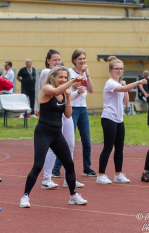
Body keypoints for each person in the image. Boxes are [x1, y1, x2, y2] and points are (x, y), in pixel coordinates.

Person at [20, 66, 87, 208]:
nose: (63, 80)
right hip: (43, 133)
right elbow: (56, 91)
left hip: (57, 134)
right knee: (38, 165)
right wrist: (74, 81)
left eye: (65, 77)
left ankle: (73, 196)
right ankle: (25, 197)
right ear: (53, 77)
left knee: (69, 164)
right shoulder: (47, 89)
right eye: (60, 77)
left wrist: (69, 97)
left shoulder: (64, 93)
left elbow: (68, 115)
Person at [96, 56, 147, 184]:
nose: (119, 71)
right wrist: (138, 82)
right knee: (108, 147)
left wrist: (124, 87)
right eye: (116, 69)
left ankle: (118, 174)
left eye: (121, 69)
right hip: (109, 118)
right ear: (110, 69)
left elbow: (125, 101)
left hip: (119, 119)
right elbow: (124, 89)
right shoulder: (110, 83)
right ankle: (100, 175)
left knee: (119, 148)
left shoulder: (119, 84)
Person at [39, 49, 85, 189]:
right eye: (54, 60)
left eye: (59, 60)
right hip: (53, 115)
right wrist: (73, 80)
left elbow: (66, 96)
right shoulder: (46, 73)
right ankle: (47, 178)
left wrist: (77, 93)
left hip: (63, 113)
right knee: (53, 147)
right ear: (48, 61)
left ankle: (68, 178)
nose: (57, 62)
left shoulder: (63, 75)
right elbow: (56, 91)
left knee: (70, 146)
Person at [60, 48, 97, 177]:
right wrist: (82, 71)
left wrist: (87, 74)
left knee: (86, 140)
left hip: (83, 108)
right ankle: (57, 167)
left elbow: (91, 89)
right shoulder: (69, 72)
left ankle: (87, 168)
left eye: (84, 58)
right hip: (72, 107)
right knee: (68, 140)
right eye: (80, 59)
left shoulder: (86, 72)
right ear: (74, 60)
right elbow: (75, 86)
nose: (82, 61)